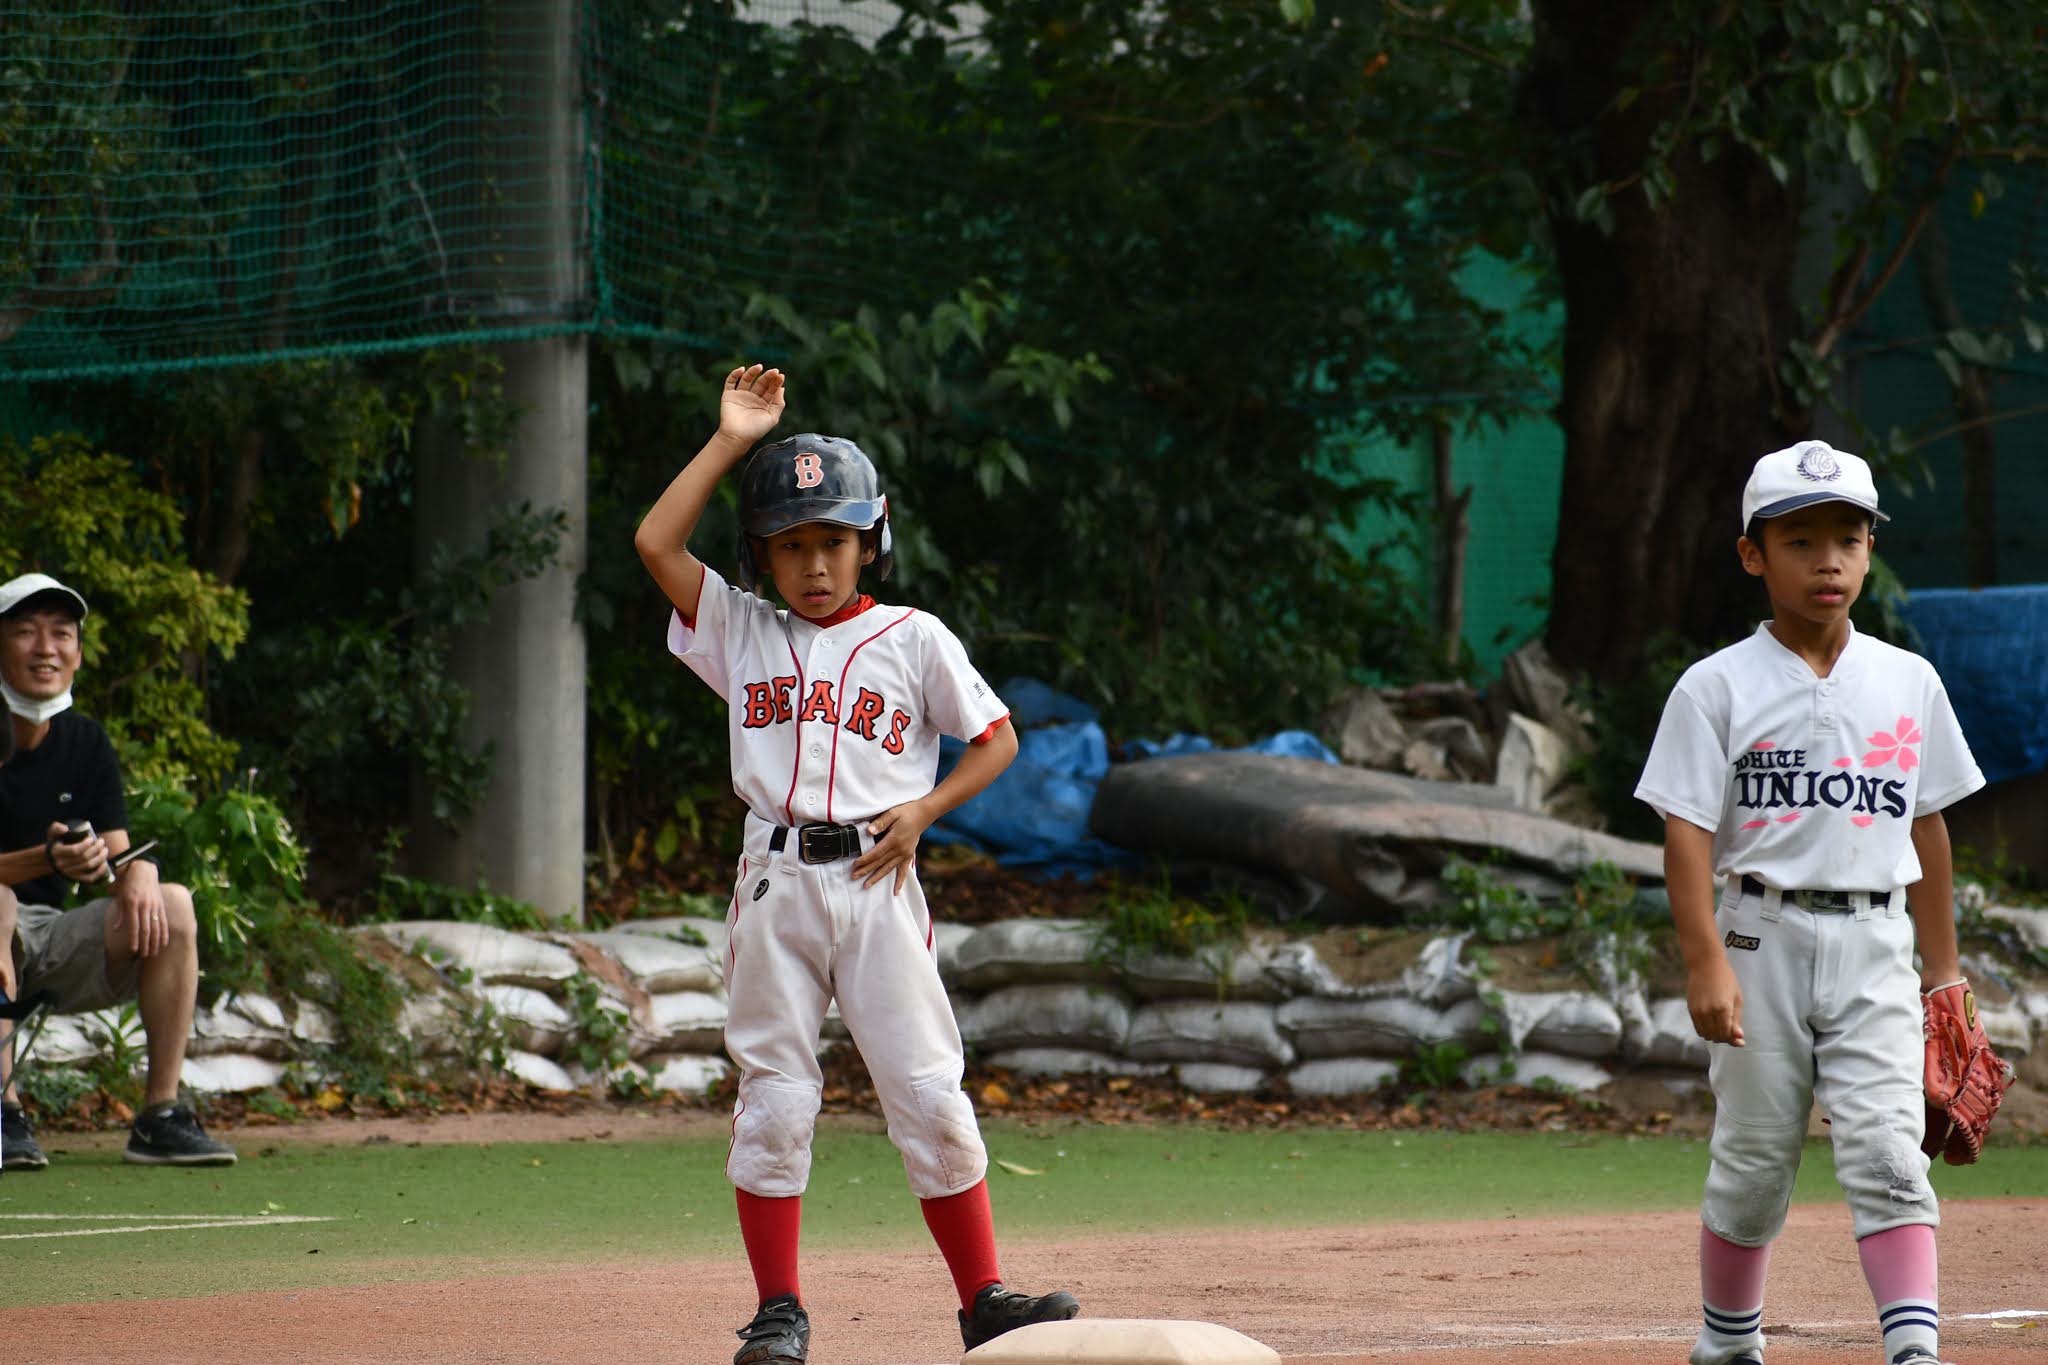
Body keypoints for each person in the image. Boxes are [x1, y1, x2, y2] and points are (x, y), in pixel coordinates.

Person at [634, 365, 1079, 1363]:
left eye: (832, 540)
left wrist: (924, 810)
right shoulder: (740, 630)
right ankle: (778, 1312)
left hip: (880, 881)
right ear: (761, 556)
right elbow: (655, 543)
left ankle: (983, 1300)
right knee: (776, 1100)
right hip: (777, 885)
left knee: (928, 1090)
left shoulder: (913, 638)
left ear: (870, 541)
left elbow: (996, 738)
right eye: (790, 544)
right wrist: (729, 441)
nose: (814, 564)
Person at [1635, 442, 1983, 1365]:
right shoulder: (1716, 685)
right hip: (1760, 936)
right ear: (1753, 555)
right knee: (1755, 1158)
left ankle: (1914, 1351)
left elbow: (1928, 829)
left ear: (1870, 550)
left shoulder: (1907, 680)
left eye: (1847, 538)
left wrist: (1945, 975)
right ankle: (1727, 1341)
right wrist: (1705, 960)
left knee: (1891, 1151)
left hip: (1876, 940)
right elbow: (1685, 832)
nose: (1827, 560)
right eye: (1799, 541)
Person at [0, 572, 237, 1168]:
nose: (46, 648)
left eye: (62, 634)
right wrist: (44, 858)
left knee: (173, 902)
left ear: (79, 654)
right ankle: (4, 1113)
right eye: (25, 631)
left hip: (48, 938)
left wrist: (139, 872)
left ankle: (160, 1116)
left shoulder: (86, 742)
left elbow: (117, 856)